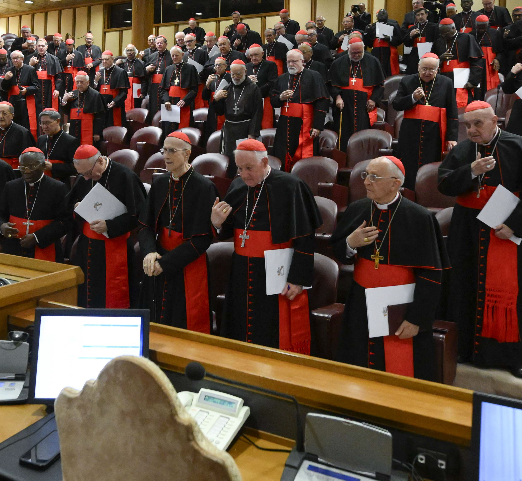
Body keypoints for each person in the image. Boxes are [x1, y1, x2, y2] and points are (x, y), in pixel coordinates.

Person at [438, 102, 522, 378]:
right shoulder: (463, 150)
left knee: (512, 293)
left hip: (506, 230)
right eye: (467, 125)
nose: (472, 130)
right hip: (467, 229)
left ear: (495, 120)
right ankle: (466, 349)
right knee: (466, 286)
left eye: (478, 123)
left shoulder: (520, 146)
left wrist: (513, 225)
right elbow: (443, 184)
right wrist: (471, 171)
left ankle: (514, 356)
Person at [331, 156, 446, 380]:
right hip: (360, 303)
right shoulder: (357, 209)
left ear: (395, 183)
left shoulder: (420, 218)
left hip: (400, 307)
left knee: (398, 368)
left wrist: (417, 319)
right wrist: (349, 244)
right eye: (366, 175)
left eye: (374, 177)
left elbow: (432, 274)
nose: (366, 182)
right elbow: (337, 251)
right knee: (358, 363)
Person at [209, 140, 320, 351]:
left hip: (275, 272)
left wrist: (297, 280)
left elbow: (305, 238)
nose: (244, 174)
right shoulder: (238, 185)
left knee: (272, 332)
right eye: (240, 168)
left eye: (249, 168)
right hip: (241, 271)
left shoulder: (291, 186)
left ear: (265, 162)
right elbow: (227, 228)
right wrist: (216, 222)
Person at [140, 132, 218, 332]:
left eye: (172, 151)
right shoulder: (159, 182)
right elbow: (146, 226)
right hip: (159, 257)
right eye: (164, 150)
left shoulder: (204, 187)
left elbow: (202, 239)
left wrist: (165, 264)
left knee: (183, 321)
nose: (166, 155)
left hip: (188, 262)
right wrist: (149, 252)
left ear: (187, 154)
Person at [68, 145, 146, 308]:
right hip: (87, 248)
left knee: (114, 298)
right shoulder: (85, 177)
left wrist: (109, 225)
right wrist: (77, 208)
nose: (86, 178)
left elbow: (139, 215)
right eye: (82, 174)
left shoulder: (126, 176)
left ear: (101, 161)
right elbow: (70, 204)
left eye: (88, 173)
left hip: (115, 247)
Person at [0, 147, 71, 261]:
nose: (27, 171)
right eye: (23, 167)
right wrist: (2, 227)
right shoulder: (11, 186)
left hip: (46, 245)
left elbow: (65, 221)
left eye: (32, 167)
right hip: (13, 246)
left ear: (43, 166)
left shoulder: (58, 188)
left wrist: (37, 237)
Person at [389, 55, 457, 175]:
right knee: (409, 165)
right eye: (424, 69)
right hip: (410, 133)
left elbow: (452, 111)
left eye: (432, 70)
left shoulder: (446, 83)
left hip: (434, 134)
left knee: (430, 166)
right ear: (418, 67)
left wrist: (451, 137)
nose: (427, 72)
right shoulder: (407, 81)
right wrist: (413, 98)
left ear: (437, 70)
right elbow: (396, 105)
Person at [272, 48, 327, 169]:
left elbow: (322, 102)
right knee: (283, 153)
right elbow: (273, 101)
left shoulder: (314, 76)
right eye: (288, 61)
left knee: (305, 153)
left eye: (294, 61)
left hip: (306, 124)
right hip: (284, 125)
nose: (291, 64)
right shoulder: (282, 78)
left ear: (302, 61)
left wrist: (317, 126)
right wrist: (280, 98)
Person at [327, 38, 385, 150]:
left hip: (364, 106)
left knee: (362, 133)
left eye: (359, 52)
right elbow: (331, 84)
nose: (357, 55)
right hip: (344, 105)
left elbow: (380, 85)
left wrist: (373, 99)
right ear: (348, 49)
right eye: (353, 53)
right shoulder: (338, 62)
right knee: (344, 133)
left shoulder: (373, 61)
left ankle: (361, 156)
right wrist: (337, 97)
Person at [61, 70, 107, 149]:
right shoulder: (72, 94)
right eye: (77, 82)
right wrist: (64, 100)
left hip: (90, 129)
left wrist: (97, 133)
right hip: (74, 129)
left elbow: (100, 116)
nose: (79, 84)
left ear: (87, 82)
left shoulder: (95, 95)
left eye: (81, 82)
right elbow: (66, 112)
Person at [37, 108, 79, 180]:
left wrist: (53, 166)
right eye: (42, 123)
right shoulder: (41, 139)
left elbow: (75, 168)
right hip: (42, 180)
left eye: (47, 123)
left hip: (62, 182)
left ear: (58, 121)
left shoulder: (70, 141)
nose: (44, 127)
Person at [0, 101, 33, 166]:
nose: (1, 116)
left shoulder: (22, 132)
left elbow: (27, 157)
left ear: (12, 115)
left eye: (4, 113)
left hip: (12, 169)